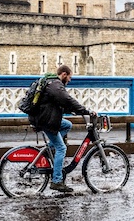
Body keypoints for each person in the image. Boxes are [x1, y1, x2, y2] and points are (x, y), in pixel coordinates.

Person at [29, 65, 95, 193]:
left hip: (45, 117)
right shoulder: (55, 85)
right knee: (61, 148)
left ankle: (51, 148)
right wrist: (86, 111)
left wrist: (75, 111)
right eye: (70, 77)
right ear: (64, 74)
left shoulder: (51, 83)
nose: (70, 80)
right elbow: (67, 99)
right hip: (46, 120)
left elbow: (61, 104)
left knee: (67, 125)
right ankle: (57, 181)